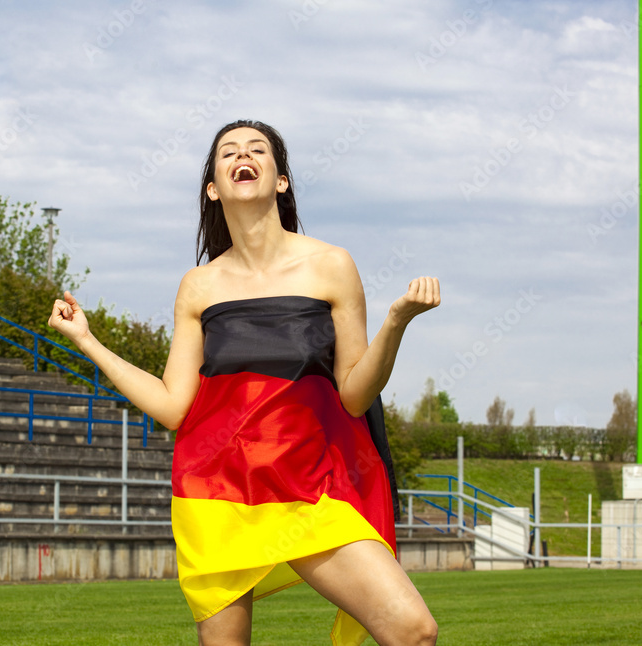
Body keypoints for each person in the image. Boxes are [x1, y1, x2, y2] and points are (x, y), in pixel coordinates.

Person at [49, 119, 440, 646]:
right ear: (214, 187)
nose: (243, 155)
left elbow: (354, 394)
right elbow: (171, 406)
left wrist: (396, 323)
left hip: (310, 490)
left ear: (281, 180)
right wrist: (89, 342)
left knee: (414, 631)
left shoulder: (332, 266)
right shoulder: (199, 286)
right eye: (228, 151)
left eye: (258, 149)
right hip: (218, 495)